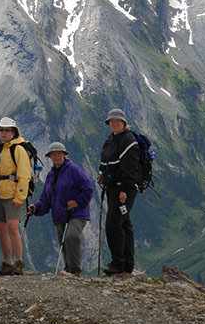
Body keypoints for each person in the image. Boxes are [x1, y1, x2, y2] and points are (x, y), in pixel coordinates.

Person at [26, 142, 93, 275]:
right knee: (63, 243)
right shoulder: (51, 175)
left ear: (64, 155)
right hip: (59, 215)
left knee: (71, 237)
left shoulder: (73, 169)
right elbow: (45, 200)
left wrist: (77, 202)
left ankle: (74, 271)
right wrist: (36, 208)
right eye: (53, 154)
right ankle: (68, 269)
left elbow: (88, 188)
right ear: (50, 157)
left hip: (77, 212)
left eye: (59, 153)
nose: (56, 156)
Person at [0, 117, 32, 276]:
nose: (3, 133)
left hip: (12, 194)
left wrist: (20, 197)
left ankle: (19, 263)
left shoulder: (18, 149)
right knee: (0, 228)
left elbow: (24, 174)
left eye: (7, 130)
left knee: (12, 226)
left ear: (13, 132)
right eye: (1, 130)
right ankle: (7, 263)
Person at [98, 108, 143, 275]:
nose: (114, 123)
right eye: (111, 121)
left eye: (117, 121)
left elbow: (130, 169)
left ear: (124, 123)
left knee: (113, 224)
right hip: (112, 187)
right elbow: (106, 162)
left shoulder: (128, 140)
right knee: (124, 223)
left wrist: (124, 190)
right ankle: (127, 264)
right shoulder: (111, 139)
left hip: (123, 189)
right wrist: (101, 174)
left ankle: (118, 263)